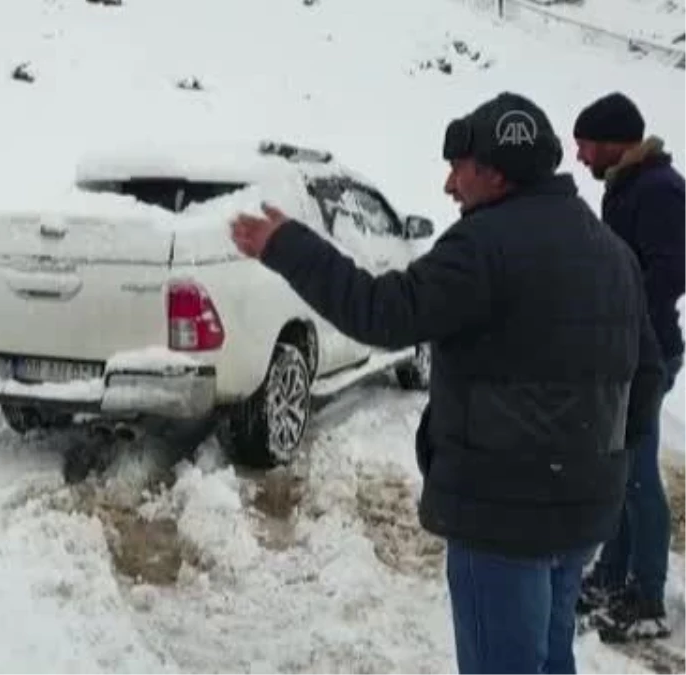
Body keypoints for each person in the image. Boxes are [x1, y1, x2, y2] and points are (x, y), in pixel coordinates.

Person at [229, 92, 664, 675]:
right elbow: (648, 376)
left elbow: (382, 314)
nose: (448, 185)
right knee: (550, 659)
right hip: (583, 509)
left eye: (459, 168)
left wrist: (287, 245)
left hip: (502, 516)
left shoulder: (481, 247)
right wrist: (598, 460)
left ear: (494, 172)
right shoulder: (609, 251)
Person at [572, 91, 686, 642]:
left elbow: (669, 273)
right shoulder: (630, 186)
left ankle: (647, 596)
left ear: (615, 142)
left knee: (637, 474)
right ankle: (612, 575)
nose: (579, 157)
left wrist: (621, 309)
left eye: (585, 145)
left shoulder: (659, 190)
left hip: (649, 353)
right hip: (623, 352)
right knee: (618, 469)